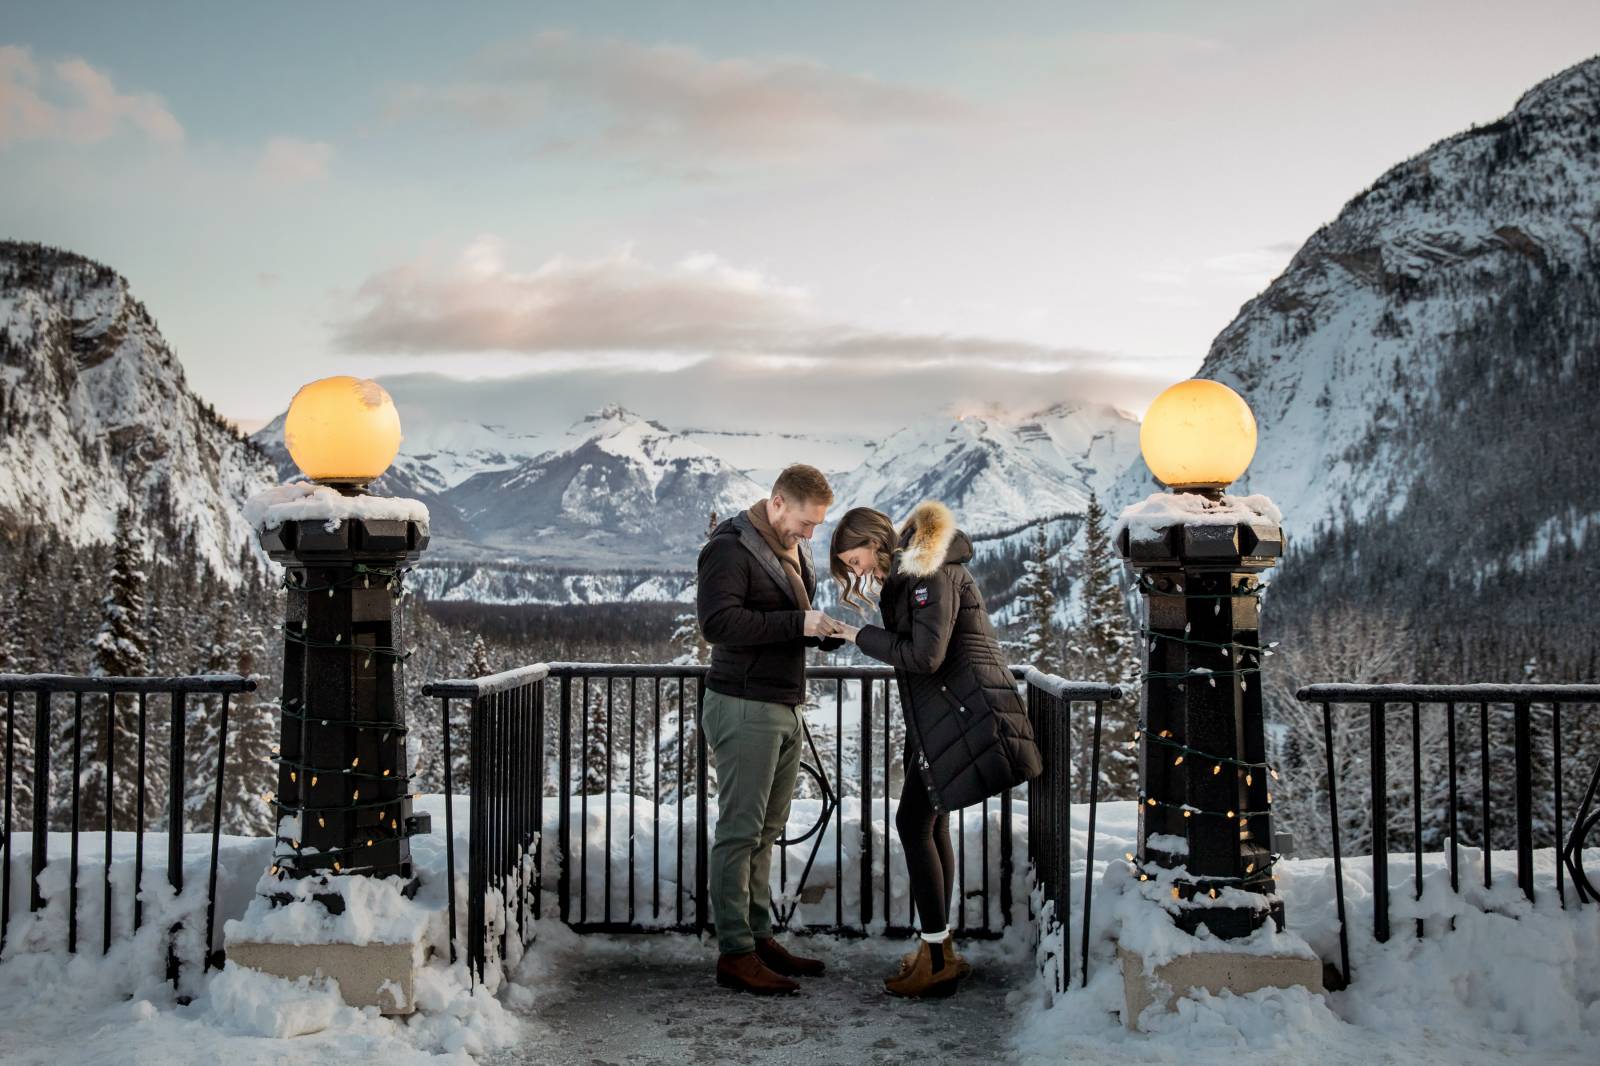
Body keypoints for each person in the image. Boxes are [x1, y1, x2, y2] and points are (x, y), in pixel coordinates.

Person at [828, 500, 1043, 998]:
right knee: (929, 821)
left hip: (961, 711)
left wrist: (859, 634)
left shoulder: (930, 571)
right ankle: (937, 946)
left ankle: (939, 954)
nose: (854, 571)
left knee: (913, 823)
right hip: (943, 713)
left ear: (876, 543)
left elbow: (926, 656)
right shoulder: (915, 573)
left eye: (854, 559)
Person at [696, 464, 846, 995]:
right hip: (742, 704)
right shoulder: (729, 548)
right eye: (806, 523)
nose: (811, 536)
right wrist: (796, 625)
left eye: (816, 527)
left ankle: (758, 938)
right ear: (778, 503)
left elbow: (787, 621)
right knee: (738, 834)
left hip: (781, 704)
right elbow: (717, 624)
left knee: (765, 833)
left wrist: (824, 633)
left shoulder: (792, 548)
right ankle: (735, 952)